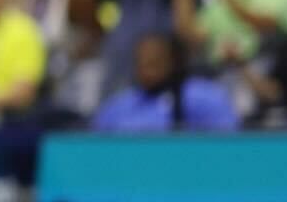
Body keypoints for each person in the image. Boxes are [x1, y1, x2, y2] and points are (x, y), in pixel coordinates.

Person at [91, 33, 240, 133]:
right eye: (140, 64)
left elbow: (227, 145)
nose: (146, 71)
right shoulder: (117, 106)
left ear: (174, 62)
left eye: (153, 64)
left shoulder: (205, 97)